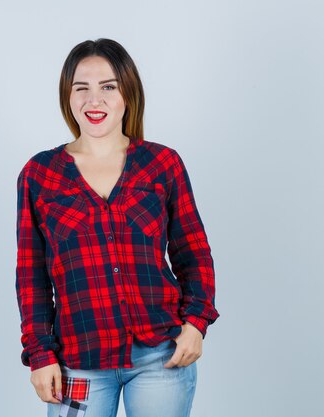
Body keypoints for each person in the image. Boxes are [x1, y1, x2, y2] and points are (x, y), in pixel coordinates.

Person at [15, 38, 219, 417]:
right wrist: (40, 355)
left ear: (127, 93)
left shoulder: (162, 164)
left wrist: (195, 322)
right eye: (82, 88)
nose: (95, 100)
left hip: (161, 355)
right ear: (68, 96)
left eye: (108, 87)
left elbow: (193, 252)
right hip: (77, 362)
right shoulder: (39, 174)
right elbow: (31, 278)